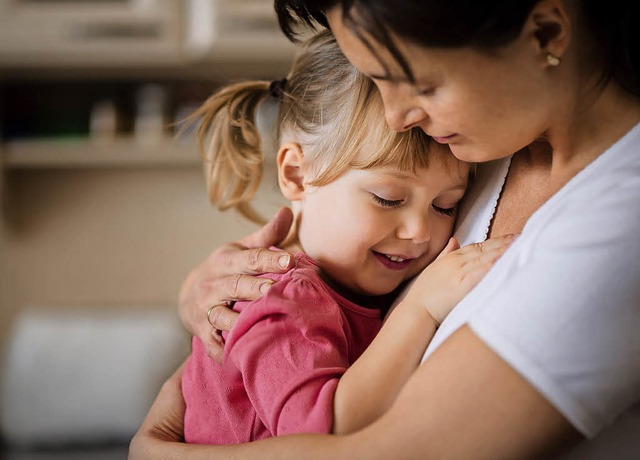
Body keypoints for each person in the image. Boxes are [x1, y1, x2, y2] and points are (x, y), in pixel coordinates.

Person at [129, 0, 640, 458]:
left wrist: (159, 452)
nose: (397, 117)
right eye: (377, 82)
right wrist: (204, 294)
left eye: (422, 83)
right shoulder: (482, 144)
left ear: (547, 34)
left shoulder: (616, 217)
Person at [180, 29, 511, 444]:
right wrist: (421, 309)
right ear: (297, 175)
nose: (419, 232)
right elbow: (321, 436)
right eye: (387, 198)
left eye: (445, 206)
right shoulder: (282, 300)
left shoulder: (353, 286)